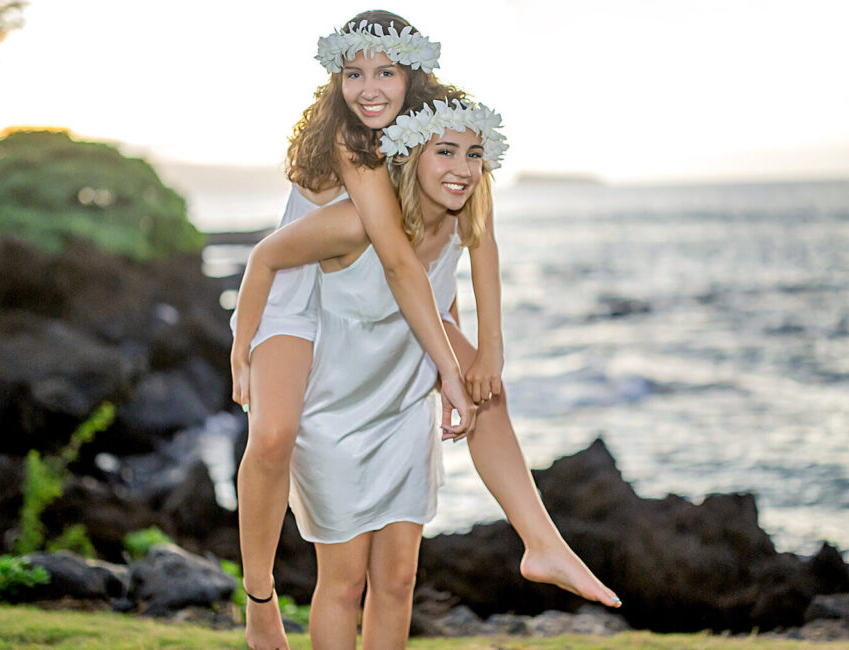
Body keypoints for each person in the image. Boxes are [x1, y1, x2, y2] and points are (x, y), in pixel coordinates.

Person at [232, 12, 620, 649]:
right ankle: (259, 598)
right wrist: (241, 347)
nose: (369, 88)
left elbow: (448, 250)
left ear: (413, 74)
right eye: (353, 73)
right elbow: (396, 258)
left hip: (382, 292)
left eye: (386, 72)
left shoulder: (439, 138)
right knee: (272, 435)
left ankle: (543, 542)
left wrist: (482, 351)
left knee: (487, 392)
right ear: (335, 78)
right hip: (299, 295)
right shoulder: (351, 141)